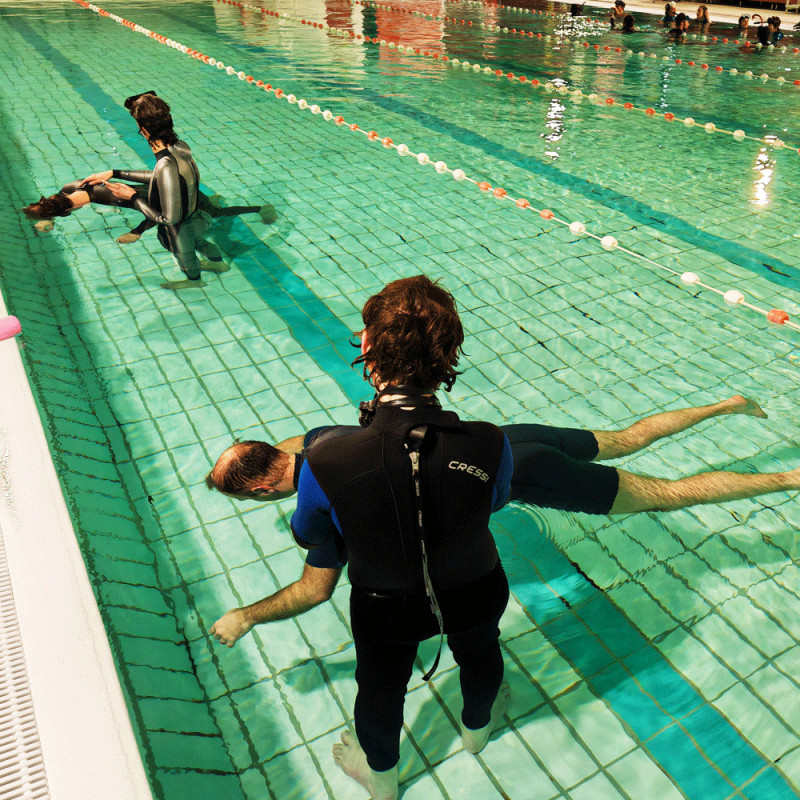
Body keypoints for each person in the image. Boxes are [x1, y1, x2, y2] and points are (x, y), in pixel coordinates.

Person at [208, 392, 785, 648]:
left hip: (529, 476)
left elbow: (314, 590)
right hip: (506, 440)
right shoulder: (316, 442)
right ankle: (726, 405)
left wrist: (247, 616)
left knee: (671, 495)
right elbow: (284, 453)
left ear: (264, 488)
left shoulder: (319, 504)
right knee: (629, 438)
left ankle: (790, 479)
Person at [80, 91, 228, 290]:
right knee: (200, 242)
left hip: (183, 226)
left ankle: (195, 281)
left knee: (184, 250)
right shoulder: (180, 147)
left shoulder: (166, 164)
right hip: (198, 214)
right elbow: (162, 178)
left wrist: (132, 197)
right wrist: (113, 172)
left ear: (145, 131)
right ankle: (220, 264)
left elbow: (169, 219)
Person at [23, 181, 275, 242]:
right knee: (207, 206)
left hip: (174, 196)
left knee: (217, 213)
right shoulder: (71, 189)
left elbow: (155, 214)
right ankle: (210, 199)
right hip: (167, 189)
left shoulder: (111, 197)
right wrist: (48, 220)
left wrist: (136, 233)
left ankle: (261, 208)